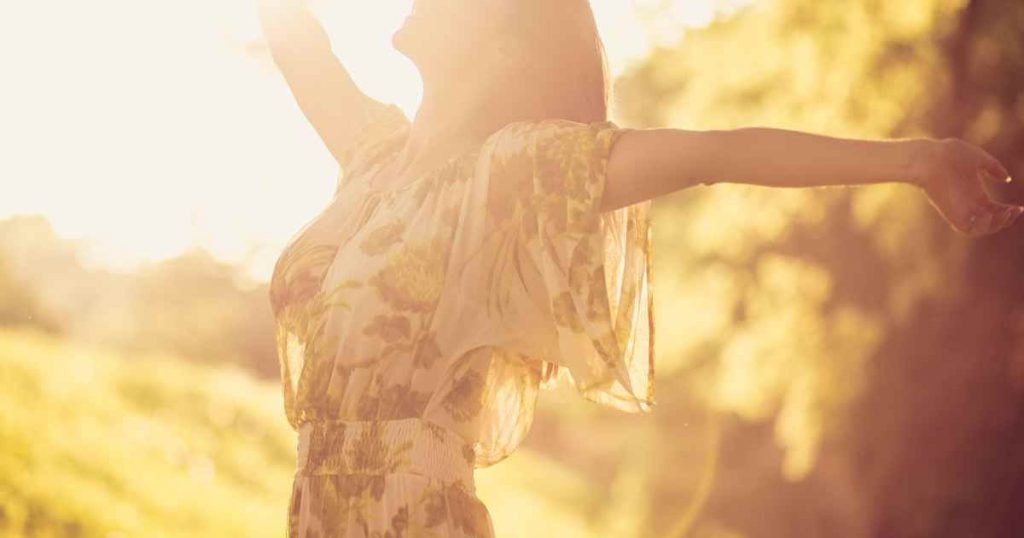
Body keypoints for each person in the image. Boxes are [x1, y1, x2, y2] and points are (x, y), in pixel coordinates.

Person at [258, 1, 1021, 536]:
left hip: (411, 521)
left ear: (501, 39)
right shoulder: (374, 160)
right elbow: (297, 39)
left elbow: (714, 153)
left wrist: (917, 161)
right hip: (315, 512)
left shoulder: (516, 173)